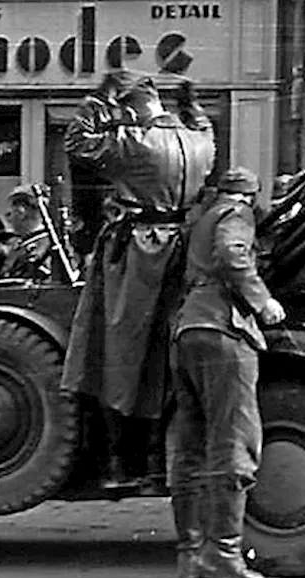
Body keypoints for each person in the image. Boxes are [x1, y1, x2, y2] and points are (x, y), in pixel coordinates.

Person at [61, 72, 217, 487]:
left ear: (129, 110)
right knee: (165, 358)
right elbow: (204, 125)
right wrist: (191, 103)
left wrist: (98, 98)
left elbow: (76, 143)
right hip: (182, 249)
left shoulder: (135, 143)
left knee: (117, 352)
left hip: (138, 253)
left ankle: (119, 462)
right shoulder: (198, 141)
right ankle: (156, 458)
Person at [166, 167, 285, 578]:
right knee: (235, 442)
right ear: (250, 196)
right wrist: (263, 301)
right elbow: (233, 253)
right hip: (224, 331)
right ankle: (224, 555)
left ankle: (191, 555)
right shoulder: (236, 213)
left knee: (191, 447)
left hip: (187, 331)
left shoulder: (201, 216)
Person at [1, 185, 54, 282]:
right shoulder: (25, 244)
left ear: (21, 212)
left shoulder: (42, 247)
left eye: (11, 210)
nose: (8, 218)